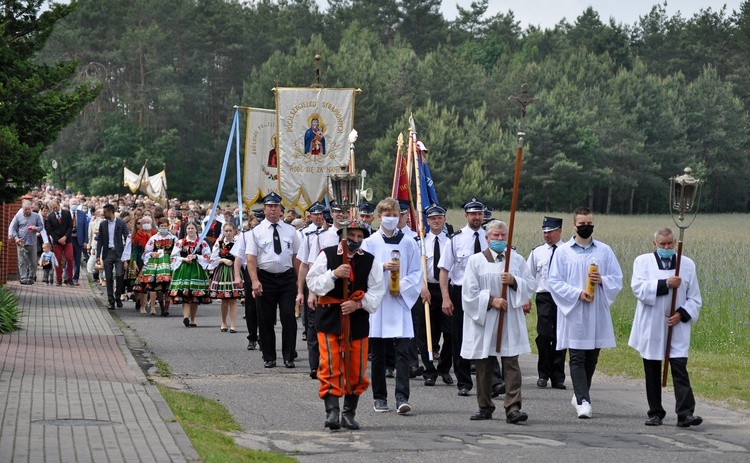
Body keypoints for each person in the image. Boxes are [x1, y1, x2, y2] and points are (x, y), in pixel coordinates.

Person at [306, 220, 386, 430]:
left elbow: (378, 291)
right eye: (352, 235)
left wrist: (357, 303)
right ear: (343, 235)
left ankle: (349, 413)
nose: (356, 240)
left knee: (356, 367)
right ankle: (332, 412)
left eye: (360, 237)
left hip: (357, 320)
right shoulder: (328, 254)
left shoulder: (369, 260)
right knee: (330, 364)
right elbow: (312, 282)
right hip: (330, 318)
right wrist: (333, 275)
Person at [549, 206, 623, 419]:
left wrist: (603, 281)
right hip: (574, 310)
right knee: (577, 356)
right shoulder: (563, 252)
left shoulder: (604, 250)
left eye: (589, 224)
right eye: (582, 224)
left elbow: (616, 278)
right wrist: (576, 293)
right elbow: (554, 281)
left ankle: (580, 392)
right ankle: (583, 401)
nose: (586, 227)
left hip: (596, 310)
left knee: (592, 356)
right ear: (574, 225)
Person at [462, 220, 535, 423]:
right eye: (495, 236)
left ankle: (513, 408)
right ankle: (485, 406)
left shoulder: (517, 260)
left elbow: (530, 285)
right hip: (485, 320)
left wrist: (514, 282)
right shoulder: (476, 261)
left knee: (511, 363)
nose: (500, 239)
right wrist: (491, 301)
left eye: (503, 236)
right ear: (487, 238)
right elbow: (468, 293)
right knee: (485, 364)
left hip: (509, 319)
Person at [629, 227, 703, 428]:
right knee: (652, 369)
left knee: (679, 367)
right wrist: (665, 284)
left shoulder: (686, 264)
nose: (667, 247)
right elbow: (638, 288)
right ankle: (655, 412)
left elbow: (694, 298)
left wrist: (682, 314)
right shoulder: (642, 262)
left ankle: (685, 413)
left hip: (676, 325)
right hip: (651, 324)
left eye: (670, 243)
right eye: (662, 244)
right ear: (655, 244)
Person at [361, 197, 423, 415]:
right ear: (379, 217)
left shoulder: (408, 242)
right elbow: (362, 269)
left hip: (399, 302)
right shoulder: (369, 243)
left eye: (395, 215)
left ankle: (402, 397)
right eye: (387, 215)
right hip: (379, 304)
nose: (391, 219)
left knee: (403, 352)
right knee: (377, 354)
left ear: (400, 217)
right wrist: (381, 267)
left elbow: (417, 272)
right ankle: (379, 397)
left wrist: (402, 287)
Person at [439, 198, 504, 397]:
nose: (477, 217)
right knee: (460, 337)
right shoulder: (456, 239)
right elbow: (444, 270)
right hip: (462, 293)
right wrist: (446, 298)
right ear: (466, 216)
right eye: (473, 214)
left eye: (480, 214)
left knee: (489, 336)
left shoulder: (491, 238)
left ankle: (494, 382)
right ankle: (464, 382)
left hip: (488, 294)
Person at [245, 192, 301, 368]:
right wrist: (254, 281)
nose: (273, 209)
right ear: (264, 209)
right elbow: (251, 258)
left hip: (286, 278)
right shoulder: (256, 232)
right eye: (269, 206)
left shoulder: (291, 231)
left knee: (288, 317)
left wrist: (299, 282)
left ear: (280, 209)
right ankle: (269, 356)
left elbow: (296, 257)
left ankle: (289, 355)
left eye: (276, 206)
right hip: (265, 278)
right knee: (266, 319)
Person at [524, 216, 567, 389]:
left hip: (563, 298)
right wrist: (525, 297)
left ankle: (558, 377)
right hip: (544, 297)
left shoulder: (567, 251)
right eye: (544, 232)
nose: (547, 235)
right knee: (543, 335)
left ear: (559, 231)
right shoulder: (537, 252)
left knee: (560, 337)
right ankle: (543, 374)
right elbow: (528, 276)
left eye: (550, 232)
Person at [418, 204, 453, 386]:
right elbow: (416, 268)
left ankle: (445, 369)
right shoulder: (420, 242)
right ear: (428, 221)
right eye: (432, 218)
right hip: (428, 288)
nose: (436, 221)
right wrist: (423, 288)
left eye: (439, 217)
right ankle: (429, 371)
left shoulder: (452, 241)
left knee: (450, 332)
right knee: (427, 332)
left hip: (447, 289)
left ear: (444, 220)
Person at [170, 221, 212, 326]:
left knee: (195, 296)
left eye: (192, 228)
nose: (190, 230)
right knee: (184, 294)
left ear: (196, 230)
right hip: (184, 270)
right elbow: (173, 257)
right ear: (185, 230)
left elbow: (208, 256)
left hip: (196, 270)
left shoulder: (202, 243)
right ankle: (185, 317)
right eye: (188, 228)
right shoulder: (180, 242)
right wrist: (183, 259)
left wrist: (196, 257)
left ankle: (192, 319)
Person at [138, 217, 178, 316]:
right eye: (161, 226)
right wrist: (152, 254)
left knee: (168, 286)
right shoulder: (153, 238)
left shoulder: (173, 238)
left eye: (165, 226)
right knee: (159, 286)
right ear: (158, 227)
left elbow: (178, 250)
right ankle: (161, 306)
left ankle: (167, 307)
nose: (163, 227)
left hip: (169, 263)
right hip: (157, 264)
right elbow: (147, 251)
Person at [209, 222, 244, 332]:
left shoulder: (238, 242)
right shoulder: (219, 243)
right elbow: (212, 258)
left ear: (234, 231)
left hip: (235, 270)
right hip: (223, 271)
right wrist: (223, 260)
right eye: (226, 231)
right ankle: (224, 322)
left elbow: (243, 256)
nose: (228, 233)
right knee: (224, 300)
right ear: (223, 232)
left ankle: (233, 325)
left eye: (230, 231)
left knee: (233, 300)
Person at [97, 204, 130, 310]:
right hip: (108, 253)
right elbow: (100, 240)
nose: (103, 214)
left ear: (110, 212)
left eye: (105, 212)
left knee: (120, 275)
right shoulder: (103, 224)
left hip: (119, 253)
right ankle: (111, 300)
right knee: (109, 277)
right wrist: (98, 255)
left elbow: (127, 238)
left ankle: (118, 296)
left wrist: (127, 255)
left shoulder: (121, 223)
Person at [9, 200, 44, 284]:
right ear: (22, 209)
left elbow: (41, 227)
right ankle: (23, 277)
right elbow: (14, 228)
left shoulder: (36, 216)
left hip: (32, 242)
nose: (27, 211)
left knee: (33, 262)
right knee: (22, 261)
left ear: (31, 208)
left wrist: (35, 228)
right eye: (25, 209)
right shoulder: (18, 216)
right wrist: (16, 238)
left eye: (28, 209)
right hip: (21, 242)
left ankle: (31, 277)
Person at [126, 216, 155, 314]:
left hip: (151, 260)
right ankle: (141, 303)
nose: (146, 223)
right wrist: (134, 262)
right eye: (144, 222)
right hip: (140, 260)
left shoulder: (155, 234)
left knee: (150, 283)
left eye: (148, 222)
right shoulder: (137, 235)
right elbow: (134, 250)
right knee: (141, 284)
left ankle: (150, 305)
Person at [48, 200, 74, 285]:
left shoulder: (66, 213)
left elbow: (70, 226)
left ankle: (69, 278)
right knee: (57, 260)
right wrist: (58, 239)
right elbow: (50, 230)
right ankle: (59, 279)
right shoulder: (50, 216)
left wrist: (65, 237)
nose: (55, 209)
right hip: (57, 242)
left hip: (67, 240)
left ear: (59, 205)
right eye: (53, 208)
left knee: (69, 258)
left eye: (56, 207)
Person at [68, 198, 89, 285]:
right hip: (69, 239)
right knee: (68, 258)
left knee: (77, 260)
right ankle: (67, 276)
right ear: (69, 204)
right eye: (72, 203)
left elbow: (85, 228)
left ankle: (75, 278)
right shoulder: (66, 214)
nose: (74, 204)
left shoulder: (82, 214)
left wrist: (85, 241)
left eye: (75, 203)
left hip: (78, 240)